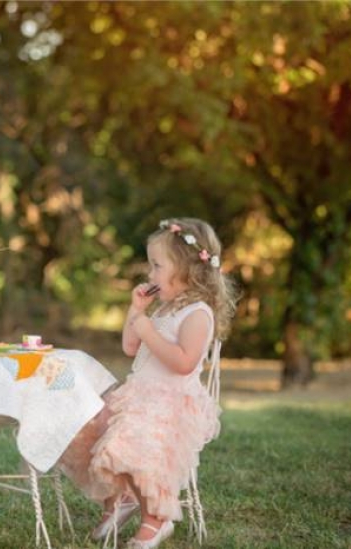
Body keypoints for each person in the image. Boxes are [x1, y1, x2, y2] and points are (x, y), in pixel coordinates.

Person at [58, 217, 237, 549]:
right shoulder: (164, 307)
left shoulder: (198, 313)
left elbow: (184, 363)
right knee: (90, 430)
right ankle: (120, 500)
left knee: (135, 442)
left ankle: (157, 519)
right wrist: (137, 311)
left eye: (157, 266)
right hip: (138, 396)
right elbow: (130, 347)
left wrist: (147, 330)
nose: (150, 275)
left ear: (186, 269)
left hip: (169, 405)